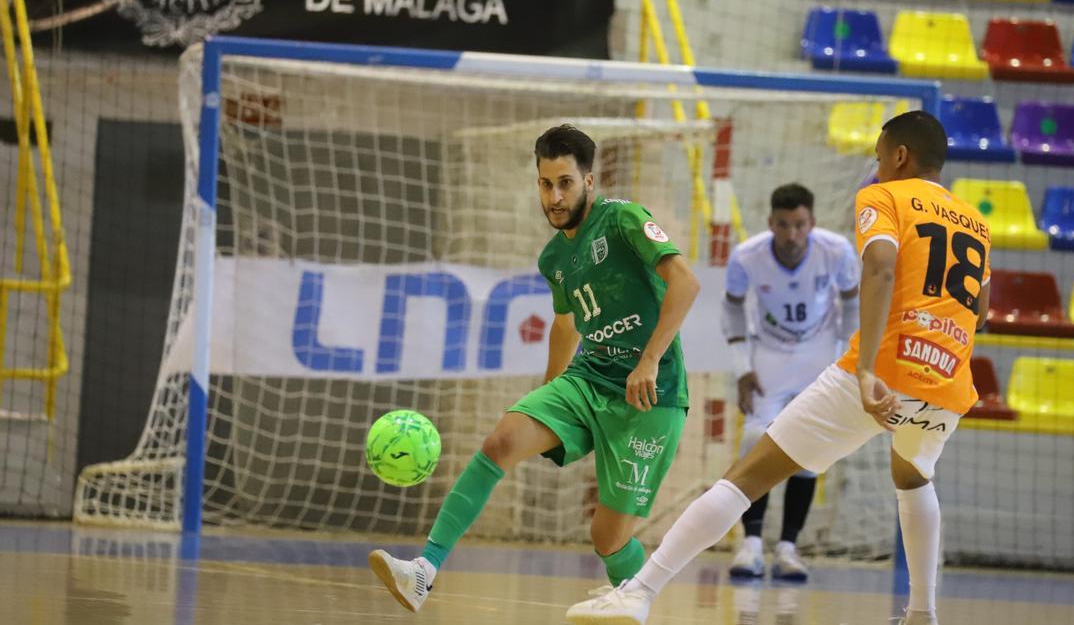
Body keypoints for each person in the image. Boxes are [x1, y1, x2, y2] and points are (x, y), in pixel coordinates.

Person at [566, 110, 991, 625]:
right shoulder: (977, 222)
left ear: (899, 156)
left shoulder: (883, 196)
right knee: (914, 477)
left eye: (879, 158)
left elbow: (878, 268)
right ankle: (923, 614)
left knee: (745, 477)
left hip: (882, 369)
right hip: (947, 381)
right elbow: (980, 314)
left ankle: (639, 593)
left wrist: (867, 370)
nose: (876, 169)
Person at [368, 124, 701, 613]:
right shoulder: (554, 257)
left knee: (607, 537)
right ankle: (424, 570)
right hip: (588, 381)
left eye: (565, 182)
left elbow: (686, 283)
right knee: (500, 441)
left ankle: (633, 597)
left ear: (589, 181)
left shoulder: (624, 219)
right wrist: (551, 393)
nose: (554, 196)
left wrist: (649, 359)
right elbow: (565, 326)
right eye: (546, 184)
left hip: (648, 396)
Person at [722, 183, 860, 580]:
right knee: (754, 442)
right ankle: (749, 545)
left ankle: (788, 548)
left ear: (812, 223)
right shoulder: (747, 256)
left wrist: (847, 358)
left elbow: (852, 302)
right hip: (768, 357)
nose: (792, 235)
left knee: (810, 449)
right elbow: (731, 309)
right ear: (771, 223)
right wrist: (741, 368)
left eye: (800, 225)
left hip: (819, 355)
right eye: (783, 225)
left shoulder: (836, 251)